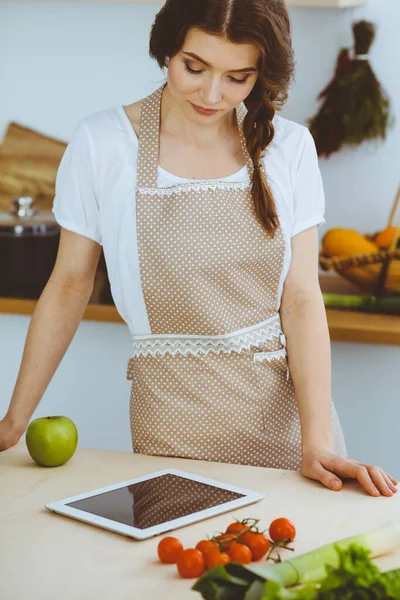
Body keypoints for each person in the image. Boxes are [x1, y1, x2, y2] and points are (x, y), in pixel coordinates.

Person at [0, 0, 397, 497]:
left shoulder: (288, 147)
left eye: (239, 77)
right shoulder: (103, 143)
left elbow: (299, 299)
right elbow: (69, 284)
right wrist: (14, 421)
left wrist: (315, 442)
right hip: (169, 419)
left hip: (286, 428)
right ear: (166, 49)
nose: (213, 94)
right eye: (194, 67)